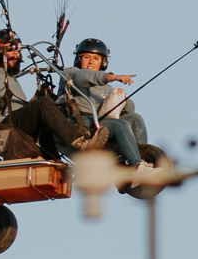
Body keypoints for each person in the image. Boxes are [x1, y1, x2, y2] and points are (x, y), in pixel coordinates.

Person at [0, 28, 104, 161]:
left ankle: (57, 162)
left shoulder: (10, 78)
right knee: (43, 104)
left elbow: (19, 109)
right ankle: (78, 141)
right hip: (3, 129)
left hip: (16, 125)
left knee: (48, 110)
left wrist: (37, 96)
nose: (16, 54)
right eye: (10, 50)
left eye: (17, 50)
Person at [58, 38, 145, 168]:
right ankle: (137, 165)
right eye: (86, 57)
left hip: (102, 123)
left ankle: (143, 159)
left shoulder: (106, 88)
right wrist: (111, 77)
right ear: (79, 59)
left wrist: (122, 100)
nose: (91, 62)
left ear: (103, 62)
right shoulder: (70, 73)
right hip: (82, 123)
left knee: (135, 118)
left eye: (96, 58)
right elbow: (83, 77)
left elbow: (127, 110)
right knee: (120, 125)